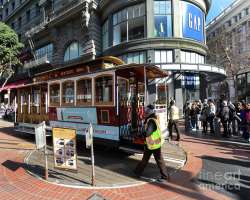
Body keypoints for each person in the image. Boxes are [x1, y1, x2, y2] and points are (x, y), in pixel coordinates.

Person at [134, 104, 169, 182]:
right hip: (153, 143)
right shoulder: (153, 118)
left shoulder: (151, 121)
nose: (145, 112)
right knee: (147, 159)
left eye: (146, 111)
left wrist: (141, 134)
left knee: (157, 160)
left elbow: (148, 133)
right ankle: (137, 172)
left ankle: (165, 177)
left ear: (149, 112)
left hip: (153, 144)